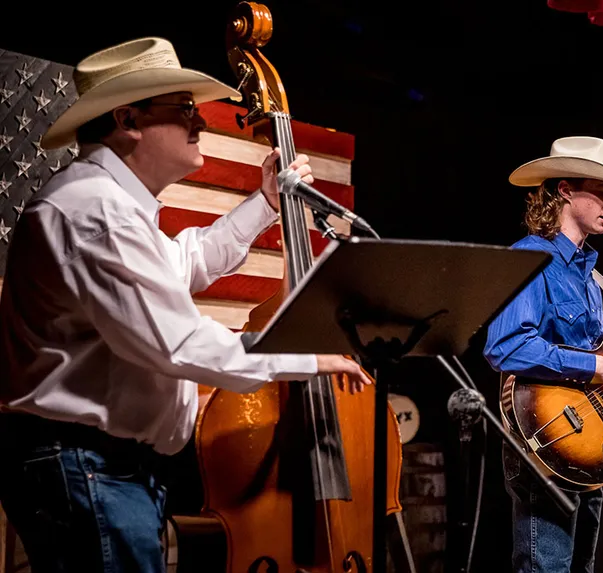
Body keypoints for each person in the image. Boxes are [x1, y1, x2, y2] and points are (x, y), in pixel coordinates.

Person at [0, 38, 371, 572]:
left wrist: (265, 203)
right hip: (85, 464)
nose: (200, 122)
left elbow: (183, 263)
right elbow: (179, 342)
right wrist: (307, 358)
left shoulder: (109, 203)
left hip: (99, 465)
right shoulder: (97, 212)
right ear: (128, 118)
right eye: (184, 110)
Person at [483, 136, 603, 573]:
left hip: (589, 442)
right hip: (546, 436)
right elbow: (506, 346)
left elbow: (601, 356)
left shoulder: (589, 278)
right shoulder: (530, 257)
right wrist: (600, 366)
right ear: (563, 190)